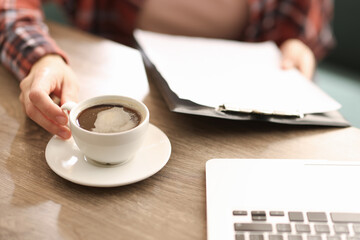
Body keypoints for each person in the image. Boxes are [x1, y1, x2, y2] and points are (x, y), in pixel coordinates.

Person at [0, 0, 334, 139]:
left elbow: (303, 24)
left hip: (253, 96)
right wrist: (42, 57)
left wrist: (298, 42)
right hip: (125, 77)